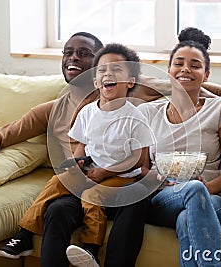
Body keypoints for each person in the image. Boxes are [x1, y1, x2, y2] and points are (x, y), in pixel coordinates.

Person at [0, 31, 221, 265]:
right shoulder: (52, 110)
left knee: (137, 198)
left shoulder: (134, 93)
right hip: (83, 182)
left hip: (123, 181)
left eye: (84, 53)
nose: (73, 59)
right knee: (57, 209)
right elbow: (0, 135)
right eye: (68, 53)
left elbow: (185, 82)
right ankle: (27, 238)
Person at [138, 40, 221, 266]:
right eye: (179, 63)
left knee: (189, 214)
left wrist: (205, 189)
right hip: (164, 199)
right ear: (169, 71)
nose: (186, 69)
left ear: (206, 75)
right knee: (192, 189)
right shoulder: (147, 112)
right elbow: (142, 167)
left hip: (214, 201)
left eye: (195, 65)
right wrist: (157, 177)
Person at [63, 43, 155, 267]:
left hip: (120, 180)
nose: (108, 73)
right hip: (90, 173)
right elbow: (81, 147)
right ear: (95, 80)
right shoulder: (84, 109)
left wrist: (105, 171)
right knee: (56, 199)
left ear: (130, 81)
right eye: (102, 70)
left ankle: (91, 248)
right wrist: (78, 167)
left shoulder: (134, 113)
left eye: (116, 69)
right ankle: (24, 234)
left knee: (130, 195)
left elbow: (139, 160)